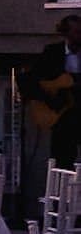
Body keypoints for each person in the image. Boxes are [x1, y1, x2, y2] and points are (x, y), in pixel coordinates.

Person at [23, 13, 81, 168]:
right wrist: (50, 100)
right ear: (66, 33)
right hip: (62, 116)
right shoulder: (52, 53)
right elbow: (30, 81)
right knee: (62, 159)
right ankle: (62, 191)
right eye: (77, 32)